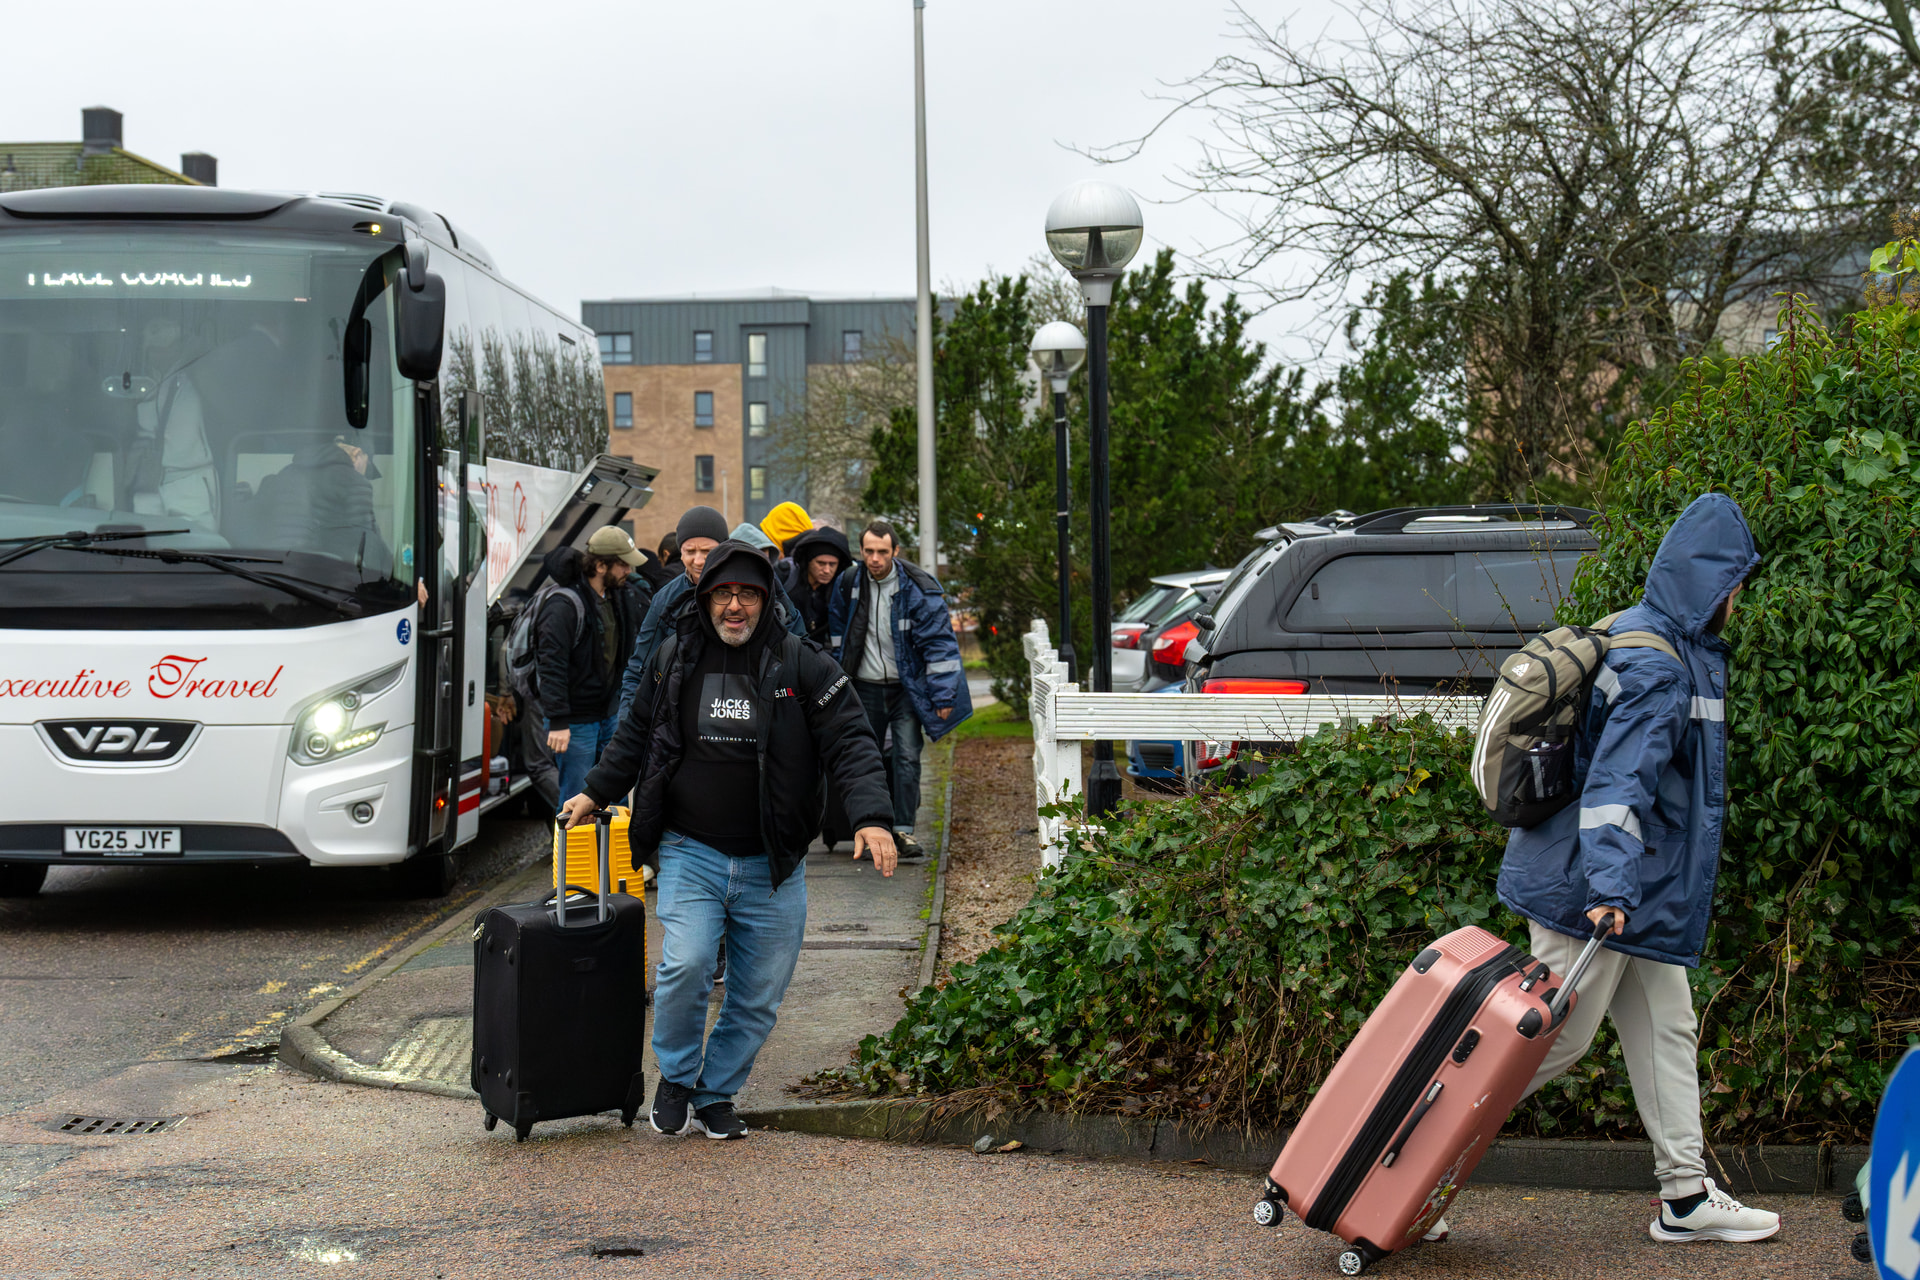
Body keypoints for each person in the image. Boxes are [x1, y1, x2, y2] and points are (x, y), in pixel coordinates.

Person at [1480, 493, 1776, 1245]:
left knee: (1667, 1025)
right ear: (1713, 587)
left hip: (1625, 882)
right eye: (1736, 589)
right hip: (1595, 885)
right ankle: (1397, 1156)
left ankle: (1685, 1196)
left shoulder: (1641, 631)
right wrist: (1610, 888)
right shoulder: (1660, 670)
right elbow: (1617, 789)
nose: (1738, 604)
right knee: (1552, 1040)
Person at [559, 541, 897, 1141]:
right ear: (705, 598)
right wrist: (595, 791)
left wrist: (871, 816)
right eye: (723, 593)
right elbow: (636, 733)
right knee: (686, 965)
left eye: (747, 594)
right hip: (692, 851)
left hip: (774, 863)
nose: (734, 606)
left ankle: (715, 1091)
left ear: (766, 601)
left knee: (758, 995)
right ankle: (676, 1076)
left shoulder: (803, 663)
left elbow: (851, 737)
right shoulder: (674, 656)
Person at [826, 520, 973, 862]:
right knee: (865, 759)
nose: (875, 559)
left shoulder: (918, 589)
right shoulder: (848, 583)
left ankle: (904, 830)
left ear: (895, 551)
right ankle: (871, 829)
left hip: (905, 690)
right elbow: (838, 639)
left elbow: (939, 644)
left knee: (907, 756)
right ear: (860, 551)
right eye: (869, 551)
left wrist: (943, 696)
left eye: (882, 551)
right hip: (864, 687)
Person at [620, 507, 805, 720]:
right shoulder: (666, 599)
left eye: (707, 551)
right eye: (690, 551)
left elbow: (798, 646)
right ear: (680, 553)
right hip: (688, 716)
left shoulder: (762, 586)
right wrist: (627, 726)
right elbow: (639, 669)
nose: (698, 561)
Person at [537, 535, 636, 807]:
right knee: (575, 799)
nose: (629, 570)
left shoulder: (614, 596)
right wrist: (558, 720)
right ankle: (573, 839)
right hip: (575, 721)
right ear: (601, 566)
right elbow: (551, 664)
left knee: (614, 797)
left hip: (608, 713)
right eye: (623, 564)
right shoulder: (564, 605)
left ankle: (612, 839)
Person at [248, 437, 392, 569]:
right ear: (357, 454)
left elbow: (255, 524)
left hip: (272, 571)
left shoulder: (284, 474)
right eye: (368, 465)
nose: (365, 474)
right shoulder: (354, 481)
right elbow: (366, 541)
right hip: (321, 575)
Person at [784, 525, 850, 646]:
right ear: (809, 562)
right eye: (821, 563)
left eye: (832, 564)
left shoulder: (838, 590)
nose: (827, 570)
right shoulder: (787, 578)